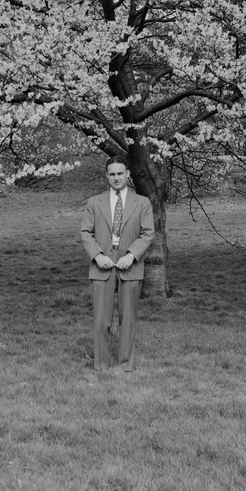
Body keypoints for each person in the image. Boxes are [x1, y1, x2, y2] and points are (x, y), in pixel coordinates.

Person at [80, 156, 154, 372]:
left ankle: (124, 364)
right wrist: (97, 255)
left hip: (130, 265)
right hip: (101, 264)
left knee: (128, 318)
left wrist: (130, 256)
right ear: (106, 176)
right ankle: (101, 364)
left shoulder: (142, 202)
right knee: (102, 319)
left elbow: (148, 233)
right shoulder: (94, 202)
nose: (116, 178)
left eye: (120, 173)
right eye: (112, 174)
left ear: (127, 174)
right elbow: (85, 232)